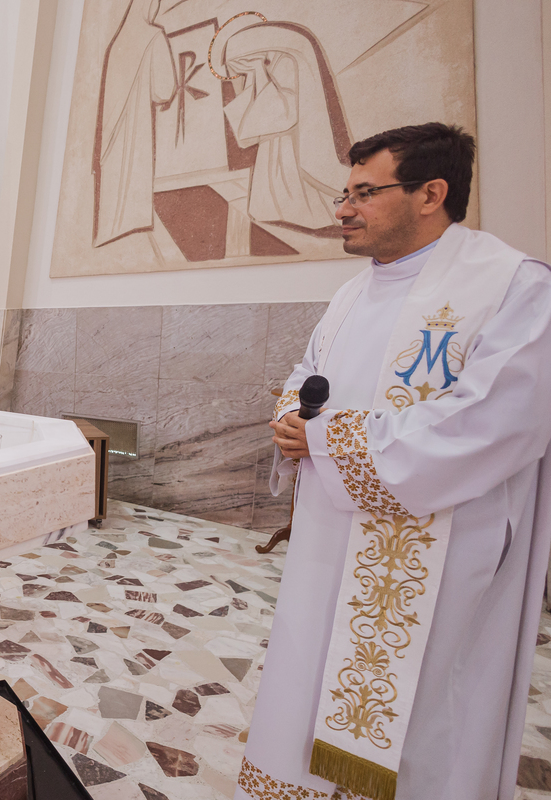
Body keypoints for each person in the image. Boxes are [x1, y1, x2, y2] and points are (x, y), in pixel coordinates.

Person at [236, 123, 551, 800]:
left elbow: (496, 424)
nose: (343, 210)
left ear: (431, 193)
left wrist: (325, 440)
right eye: (344, 193)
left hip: (442, 546)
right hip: (330, 537)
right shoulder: (354, 292)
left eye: (364, 192)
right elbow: (309, 373)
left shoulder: (511, 286)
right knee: (311, 670)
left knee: (427, 707)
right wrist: (294, 414)